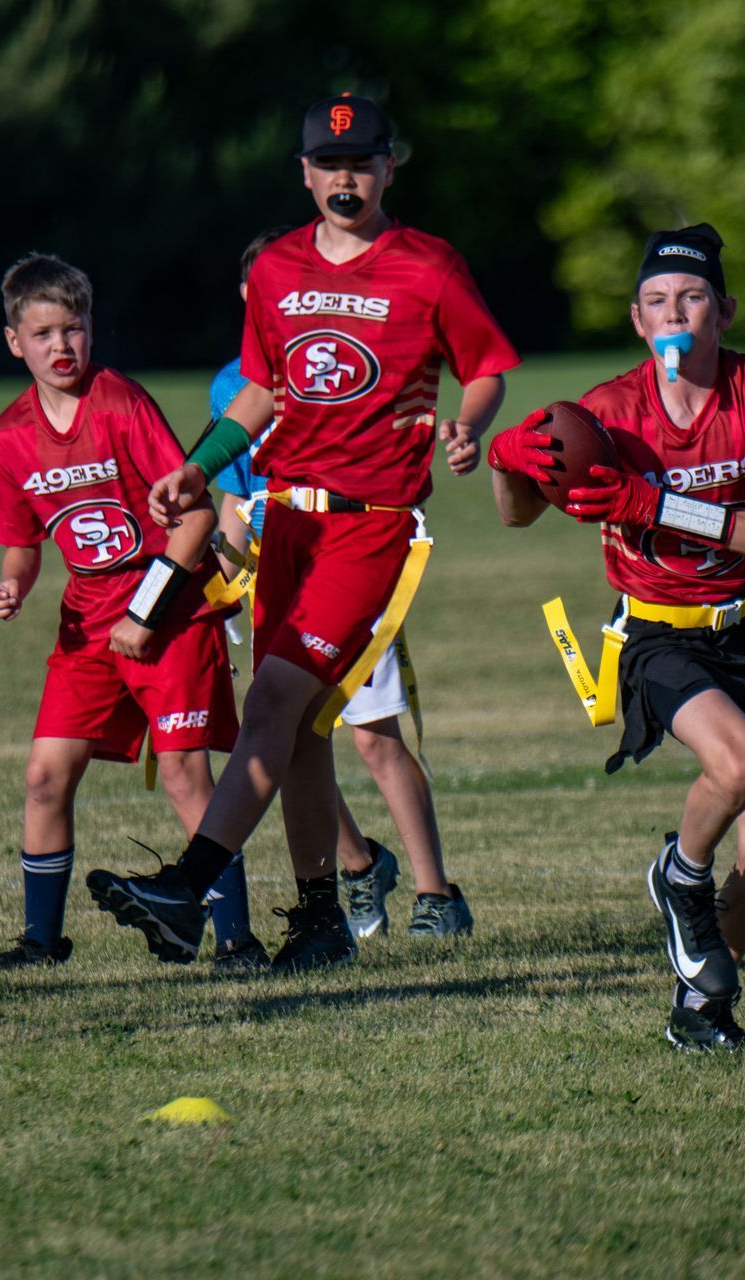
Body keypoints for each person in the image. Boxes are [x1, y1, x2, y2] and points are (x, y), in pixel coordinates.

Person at [86, 93, 515, 972]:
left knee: (276, 700)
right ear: (305, 172)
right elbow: (260, 390)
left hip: (373, 527)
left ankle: (187, 883)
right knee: (303, 726)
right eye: (329, 163)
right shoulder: (277, 268)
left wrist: (468, 424)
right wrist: (201, 466)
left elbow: (489, 367)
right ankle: (319, 916)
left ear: (389, 167)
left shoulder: (429, 266)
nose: (344, 179)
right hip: (287, 517)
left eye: (361, 163)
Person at [485, 223, 745, 1052]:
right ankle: (680, 873)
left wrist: (657, 503)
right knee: (734, 763)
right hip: (656, 636)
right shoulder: (608, 410)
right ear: (638, 320)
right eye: (659, 301)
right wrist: (505, 463)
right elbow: (520, 513)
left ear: (725, 311)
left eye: (694, 297)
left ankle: (702, 1007)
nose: (677, 314)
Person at [0, 254, 241, 973]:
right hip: (87, 624)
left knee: (184, 777)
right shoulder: (7, 435)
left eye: (73, 329)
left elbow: (197, 518)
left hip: (169, 613)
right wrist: (13, 585)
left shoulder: (120, 404)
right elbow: (23, 544)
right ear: (14, 341)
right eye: (43, 333)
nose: (61, 347)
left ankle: (239, 940)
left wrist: (145, 612)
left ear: (91, 331)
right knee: (45, 775)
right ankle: (40, 943)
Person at [204, 226, 472, 944]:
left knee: (371, 736)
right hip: (275, 561)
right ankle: (354, 869)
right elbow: (237, 497)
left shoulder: (367, 348)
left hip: (349, 553)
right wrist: (214, 575)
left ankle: (435, 891)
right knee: (288, 729)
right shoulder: (233, 384)